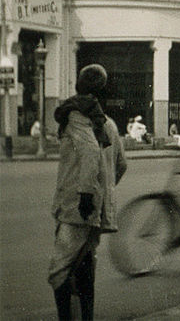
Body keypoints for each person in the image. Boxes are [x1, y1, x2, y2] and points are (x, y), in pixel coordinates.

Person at [49, 64, 126, 320]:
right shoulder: (109, 126)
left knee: (59, 271)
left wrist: (85, 194)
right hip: (95, 209)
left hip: (76, 208)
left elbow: (91, 153)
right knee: (84, 266)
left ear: (77, 85)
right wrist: (102, 192)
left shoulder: (76, 118)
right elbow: (121, 166)